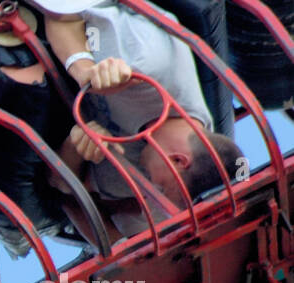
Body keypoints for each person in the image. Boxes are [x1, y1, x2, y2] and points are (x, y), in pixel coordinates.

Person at [36, 0, 245, 239]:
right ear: (178, 160)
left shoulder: (141, 169)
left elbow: (61, 187)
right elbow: (60, 11)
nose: (151, 189)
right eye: (162, 187)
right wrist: (84, 69)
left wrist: (74, 150)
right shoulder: (148, 58)